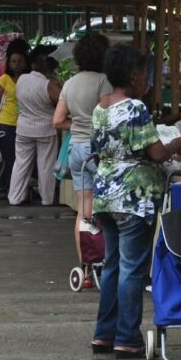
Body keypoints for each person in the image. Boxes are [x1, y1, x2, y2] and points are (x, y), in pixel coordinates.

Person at [89, 45, 181, 359]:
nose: (147, 81)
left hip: (105, 194)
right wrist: (177, 143)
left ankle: (104, 334)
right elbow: (156, 153)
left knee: (113, 266)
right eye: (145, 75)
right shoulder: (135, 108)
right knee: (132, 269)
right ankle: (127, 338)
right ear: (133, 77)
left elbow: (102, 147)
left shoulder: (100, 108)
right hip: (134, 197)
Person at [52, 33, 112, 280]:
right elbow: (108, 117)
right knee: (104, 209)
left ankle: (85, 268)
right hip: (97, 151)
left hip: (75, 150)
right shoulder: (104, 82)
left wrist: (78, 124)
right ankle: (104, 264)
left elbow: (57, 121)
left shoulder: (69, 84)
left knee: (83, 210)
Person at [7, 52, 61, 206]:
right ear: (48, 71)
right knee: (45, 165)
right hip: (45, 130)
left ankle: (15, 197)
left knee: (21, 164)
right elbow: (63, 101)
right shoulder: (48, 84)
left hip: (23, 128)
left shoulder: (22, 79)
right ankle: (47, 199)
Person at [0, 39, 31, 200]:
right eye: (13, 61)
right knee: (10, 158)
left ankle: (15, 187)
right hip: (6, 125)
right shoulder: (4, 80)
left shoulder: (29, 79)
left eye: (20, 61)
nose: (16, 64)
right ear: (9, 63)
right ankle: (2, 185)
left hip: (23, 124)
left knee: (21, 159)